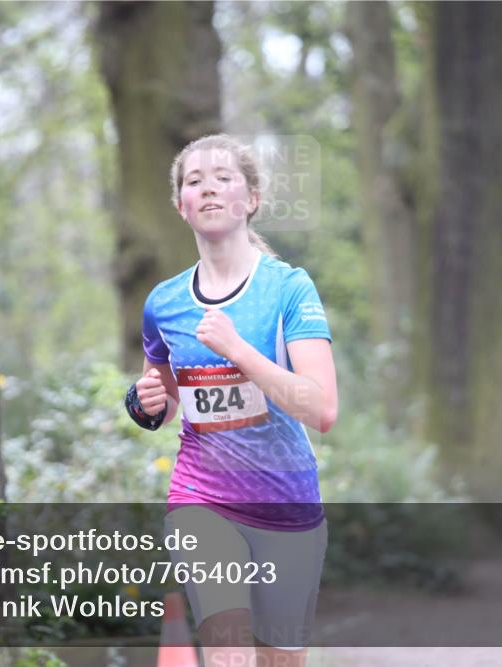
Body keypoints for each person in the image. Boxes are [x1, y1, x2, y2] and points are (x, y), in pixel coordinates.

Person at [124, 134, 338, 666]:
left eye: (223, 177)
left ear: (252, 199)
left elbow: (321, 409)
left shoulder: (289, 289)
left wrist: (240, 350)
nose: (209, 188)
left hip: (287, 506)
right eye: (194, 181)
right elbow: (166, 396)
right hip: (203, 499)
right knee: (228, 653)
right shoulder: (165, 303)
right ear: (181, 206)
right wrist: (145, 401)